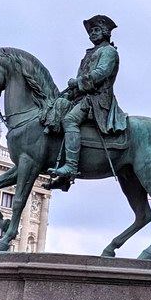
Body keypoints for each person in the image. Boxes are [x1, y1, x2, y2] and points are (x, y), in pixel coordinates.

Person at [47, 15, 125, 185]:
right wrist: (69, 92)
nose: (92, 34)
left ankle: (71, 166)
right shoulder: (90, 53)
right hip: (83, 96)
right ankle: (64, 178)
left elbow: (102, 73)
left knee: (69, 121)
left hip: (97, 98)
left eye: (96, 30)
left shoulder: (109, 52)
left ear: (105, 32)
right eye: (90, 32)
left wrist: (78, 82)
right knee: (57, 113)